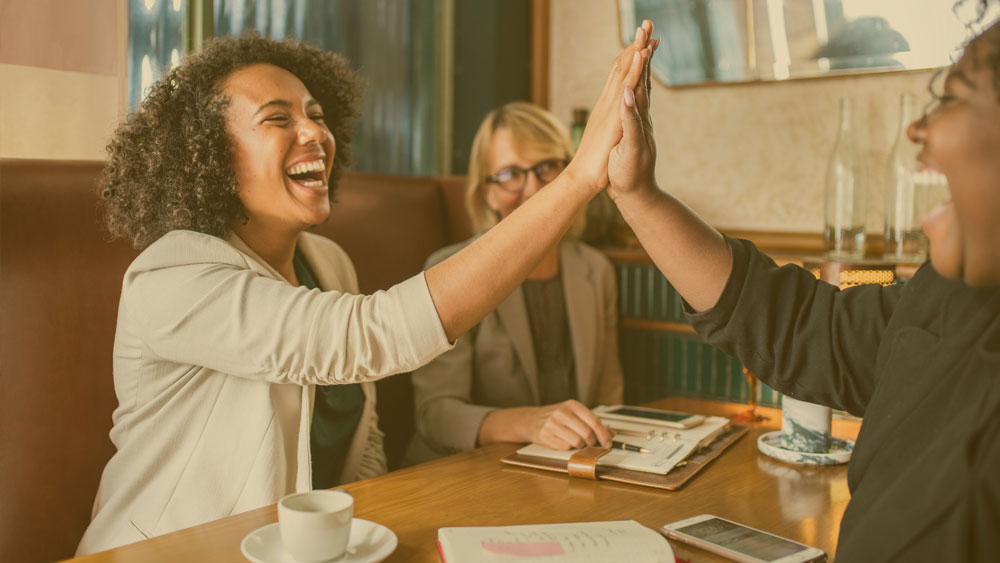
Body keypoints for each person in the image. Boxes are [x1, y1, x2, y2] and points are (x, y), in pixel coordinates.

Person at [77, 26, 657, 555]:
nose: (315, 133)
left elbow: (362, 444)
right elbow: (369, 336)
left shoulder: (328, 263)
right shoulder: (173, 277)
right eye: (278, 119)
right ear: (209, 158)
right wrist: (580, 177)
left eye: (318, 115)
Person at [607, 9, 999, 561]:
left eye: (953, 96)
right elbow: (809, 331)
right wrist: (638, 196)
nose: (917, 128)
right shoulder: (950, 296)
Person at [405, 102, 624, 464]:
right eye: (509, 174)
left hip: (565, 469)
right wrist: (529, 424)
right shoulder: (446, 269)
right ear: (486, 192)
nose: (534, 188)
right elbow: (435, 415)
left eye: (546, 167)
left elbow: (609, 397)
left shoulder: (596, 270)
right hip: (466, 471)